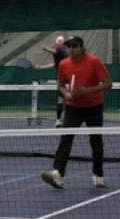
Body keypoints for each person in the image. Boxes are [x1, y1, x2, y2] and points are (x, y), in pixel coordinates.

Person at [40, 36, 112, 190]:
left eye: (74, 46)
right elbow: (60, 84)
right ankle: (57, 174)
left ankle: (98, 175)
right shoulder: (64, 64)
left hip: (94, 107)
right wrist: (65, 93)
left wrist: (87, 91)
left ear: (81, 48)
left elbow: (108, 83)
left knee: (96, 142)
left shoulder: (94, 61)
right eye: (69, 47)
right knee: (65, 140)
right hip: (73, 108)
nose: (71, 49)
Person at [35, 35, 69, 127]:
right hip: (68, 77)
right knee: (68, 99)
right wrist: (41, 67)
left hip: (62, 78)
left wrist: (45, 49)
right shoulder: (66, 52)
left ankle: (59, 120)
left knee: (61, 99)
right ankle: (64, 120)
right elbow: (55, 64)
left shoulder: (59, 51)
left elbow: (54, 52)